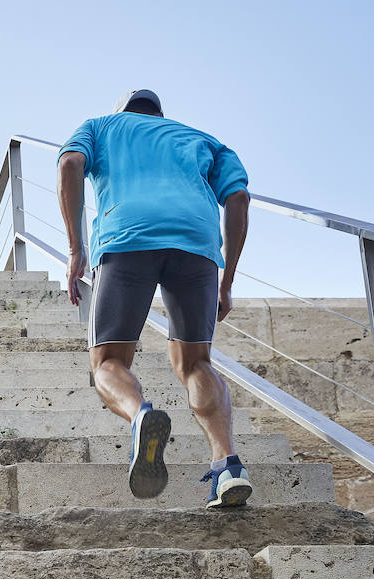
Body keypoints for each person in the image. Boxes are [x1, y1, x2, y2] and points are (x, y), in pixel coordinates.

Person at [56, 89, 253, 508]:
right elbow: (238, 198)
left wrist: (76, 250)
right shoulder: (202, 139)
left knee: (108, 361)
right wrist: (227, 280)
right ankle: (228, 466)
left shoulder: (100, 127)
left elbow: (70, 163)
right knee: (197, 363)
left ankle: (140, 415)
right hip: (196, 245)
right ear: (162, 115)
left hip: (127, 237)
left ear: (122, 111)